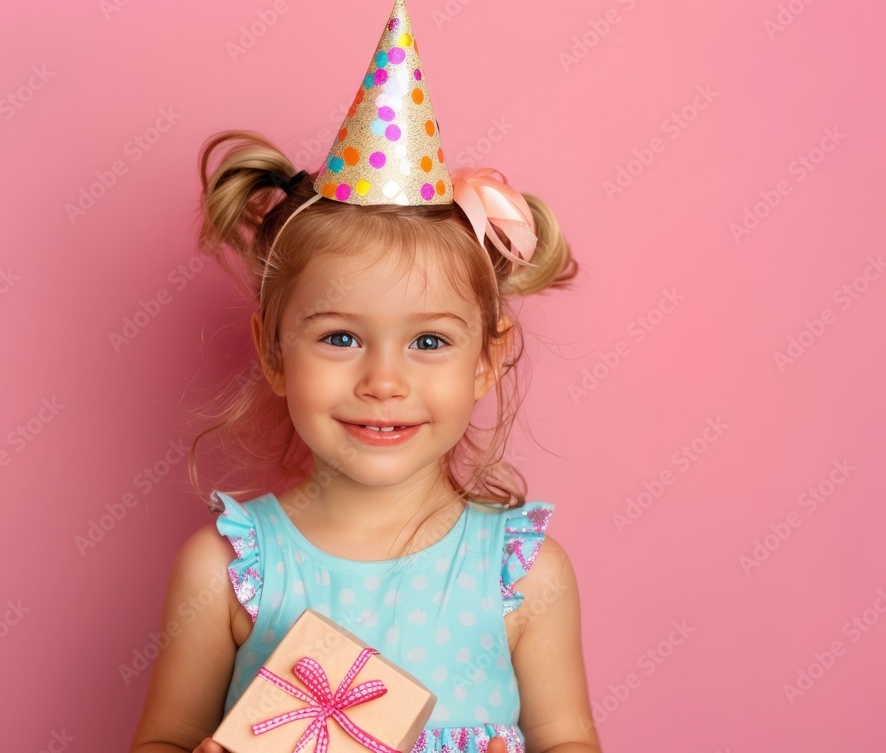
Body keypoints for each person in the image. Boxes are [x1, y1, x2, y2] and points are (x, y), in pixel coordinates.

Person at [129, 2, 600, 752]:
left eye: (429, 342)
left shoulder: (522, 573)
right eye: (342, 337)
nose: (384, 379)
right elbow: (162, 738)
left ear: (487, 359)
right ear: (275, 351)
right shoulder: (226, 568)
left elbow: (569, 739)